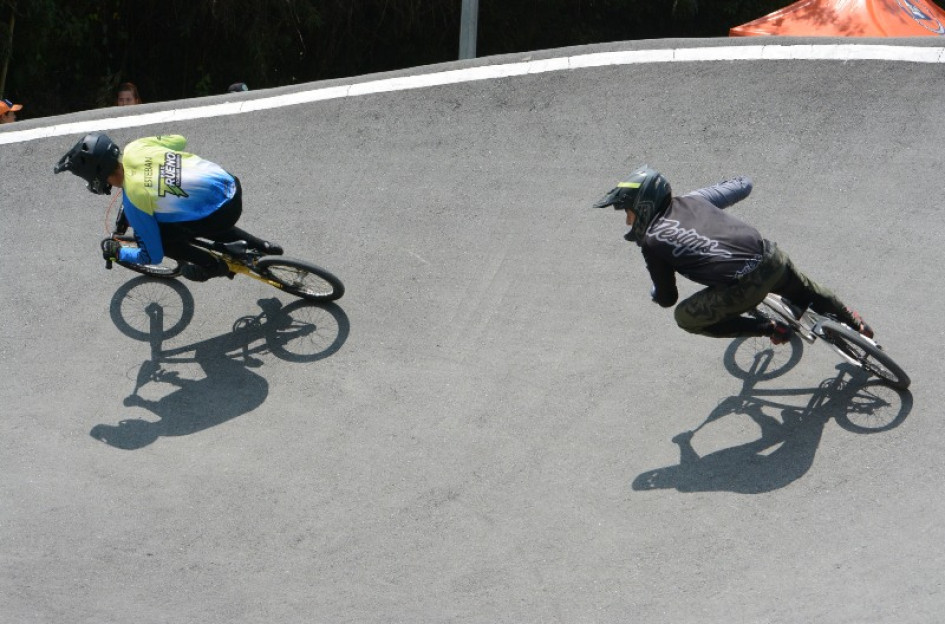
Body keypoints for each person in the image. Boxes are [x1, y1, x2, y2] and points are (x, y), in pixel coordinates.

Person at [593, 165, 873, 344]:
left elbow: (668, 298)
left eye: (627, 212)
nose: (628, 221)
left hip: (741, 288)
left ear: (642, 206)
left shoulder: (652, 242)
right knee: (809, 289)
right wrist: (735, 180)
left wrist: (656, 294)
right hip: (771, 257)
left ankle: (770, 329)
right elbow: (744, 185)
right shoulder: (694, 199)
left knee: (685, 318)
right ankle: (854, 322)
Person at [53, 132, 283, 281]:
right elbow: (179, 140)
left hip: (223, 213)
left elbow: (151, 255)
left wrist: (119, 252)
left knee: (166, 240)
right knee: (201, 211)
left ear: (98, 177)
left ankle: (213, 266)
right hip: (229, 182)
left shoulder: (135, 202)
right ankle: (263, 246)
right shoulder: (137, 147)